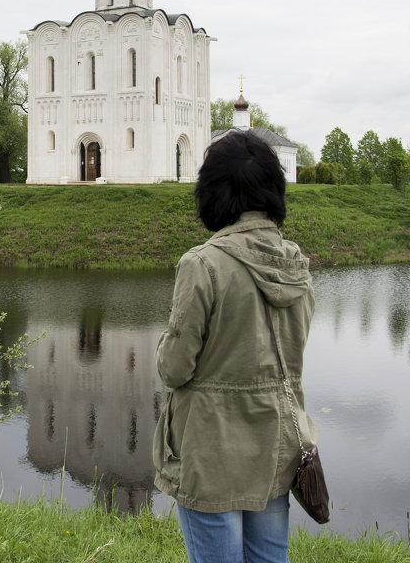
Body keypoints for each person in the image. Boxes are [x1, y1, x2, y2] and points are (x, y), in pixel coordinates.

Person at [153, 131, 317, 563]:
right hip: (277, 444)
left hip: (212, 451)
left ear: (214, 192)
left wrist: (163, 343)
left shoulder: (203, 264)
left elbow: (174, 369)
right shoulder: (296, 265)